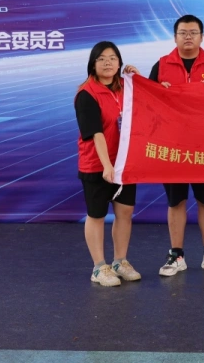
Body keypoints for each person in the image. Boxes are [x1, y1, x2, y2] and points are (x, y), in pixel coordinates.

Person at [148, 15, 204, 277]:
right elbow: (146, 104)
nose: (188, 37)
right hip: (172, 147)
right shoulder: (161, 65)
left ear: (202, 37)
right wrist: (157, 91)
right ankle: (176, 255)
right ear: (174, 37)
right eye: (183, 32)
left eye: (193, 32)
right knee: (176, 202)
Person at [74, 41, 141, 287]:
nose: (107, 63)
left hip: (125, 163)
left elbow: (150, 104)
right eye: (101, 59)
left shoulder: (126, 88)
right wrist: (106, 165)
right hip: (97, 165)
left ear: (119, 62)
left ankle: (120, 262)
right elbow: (96, 133)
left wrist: (137, 78)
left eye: (113, 58)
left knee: (125, 213)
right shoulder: (86, 94)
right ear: (93, 64)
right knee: (97, 215)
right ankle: (99, 267)